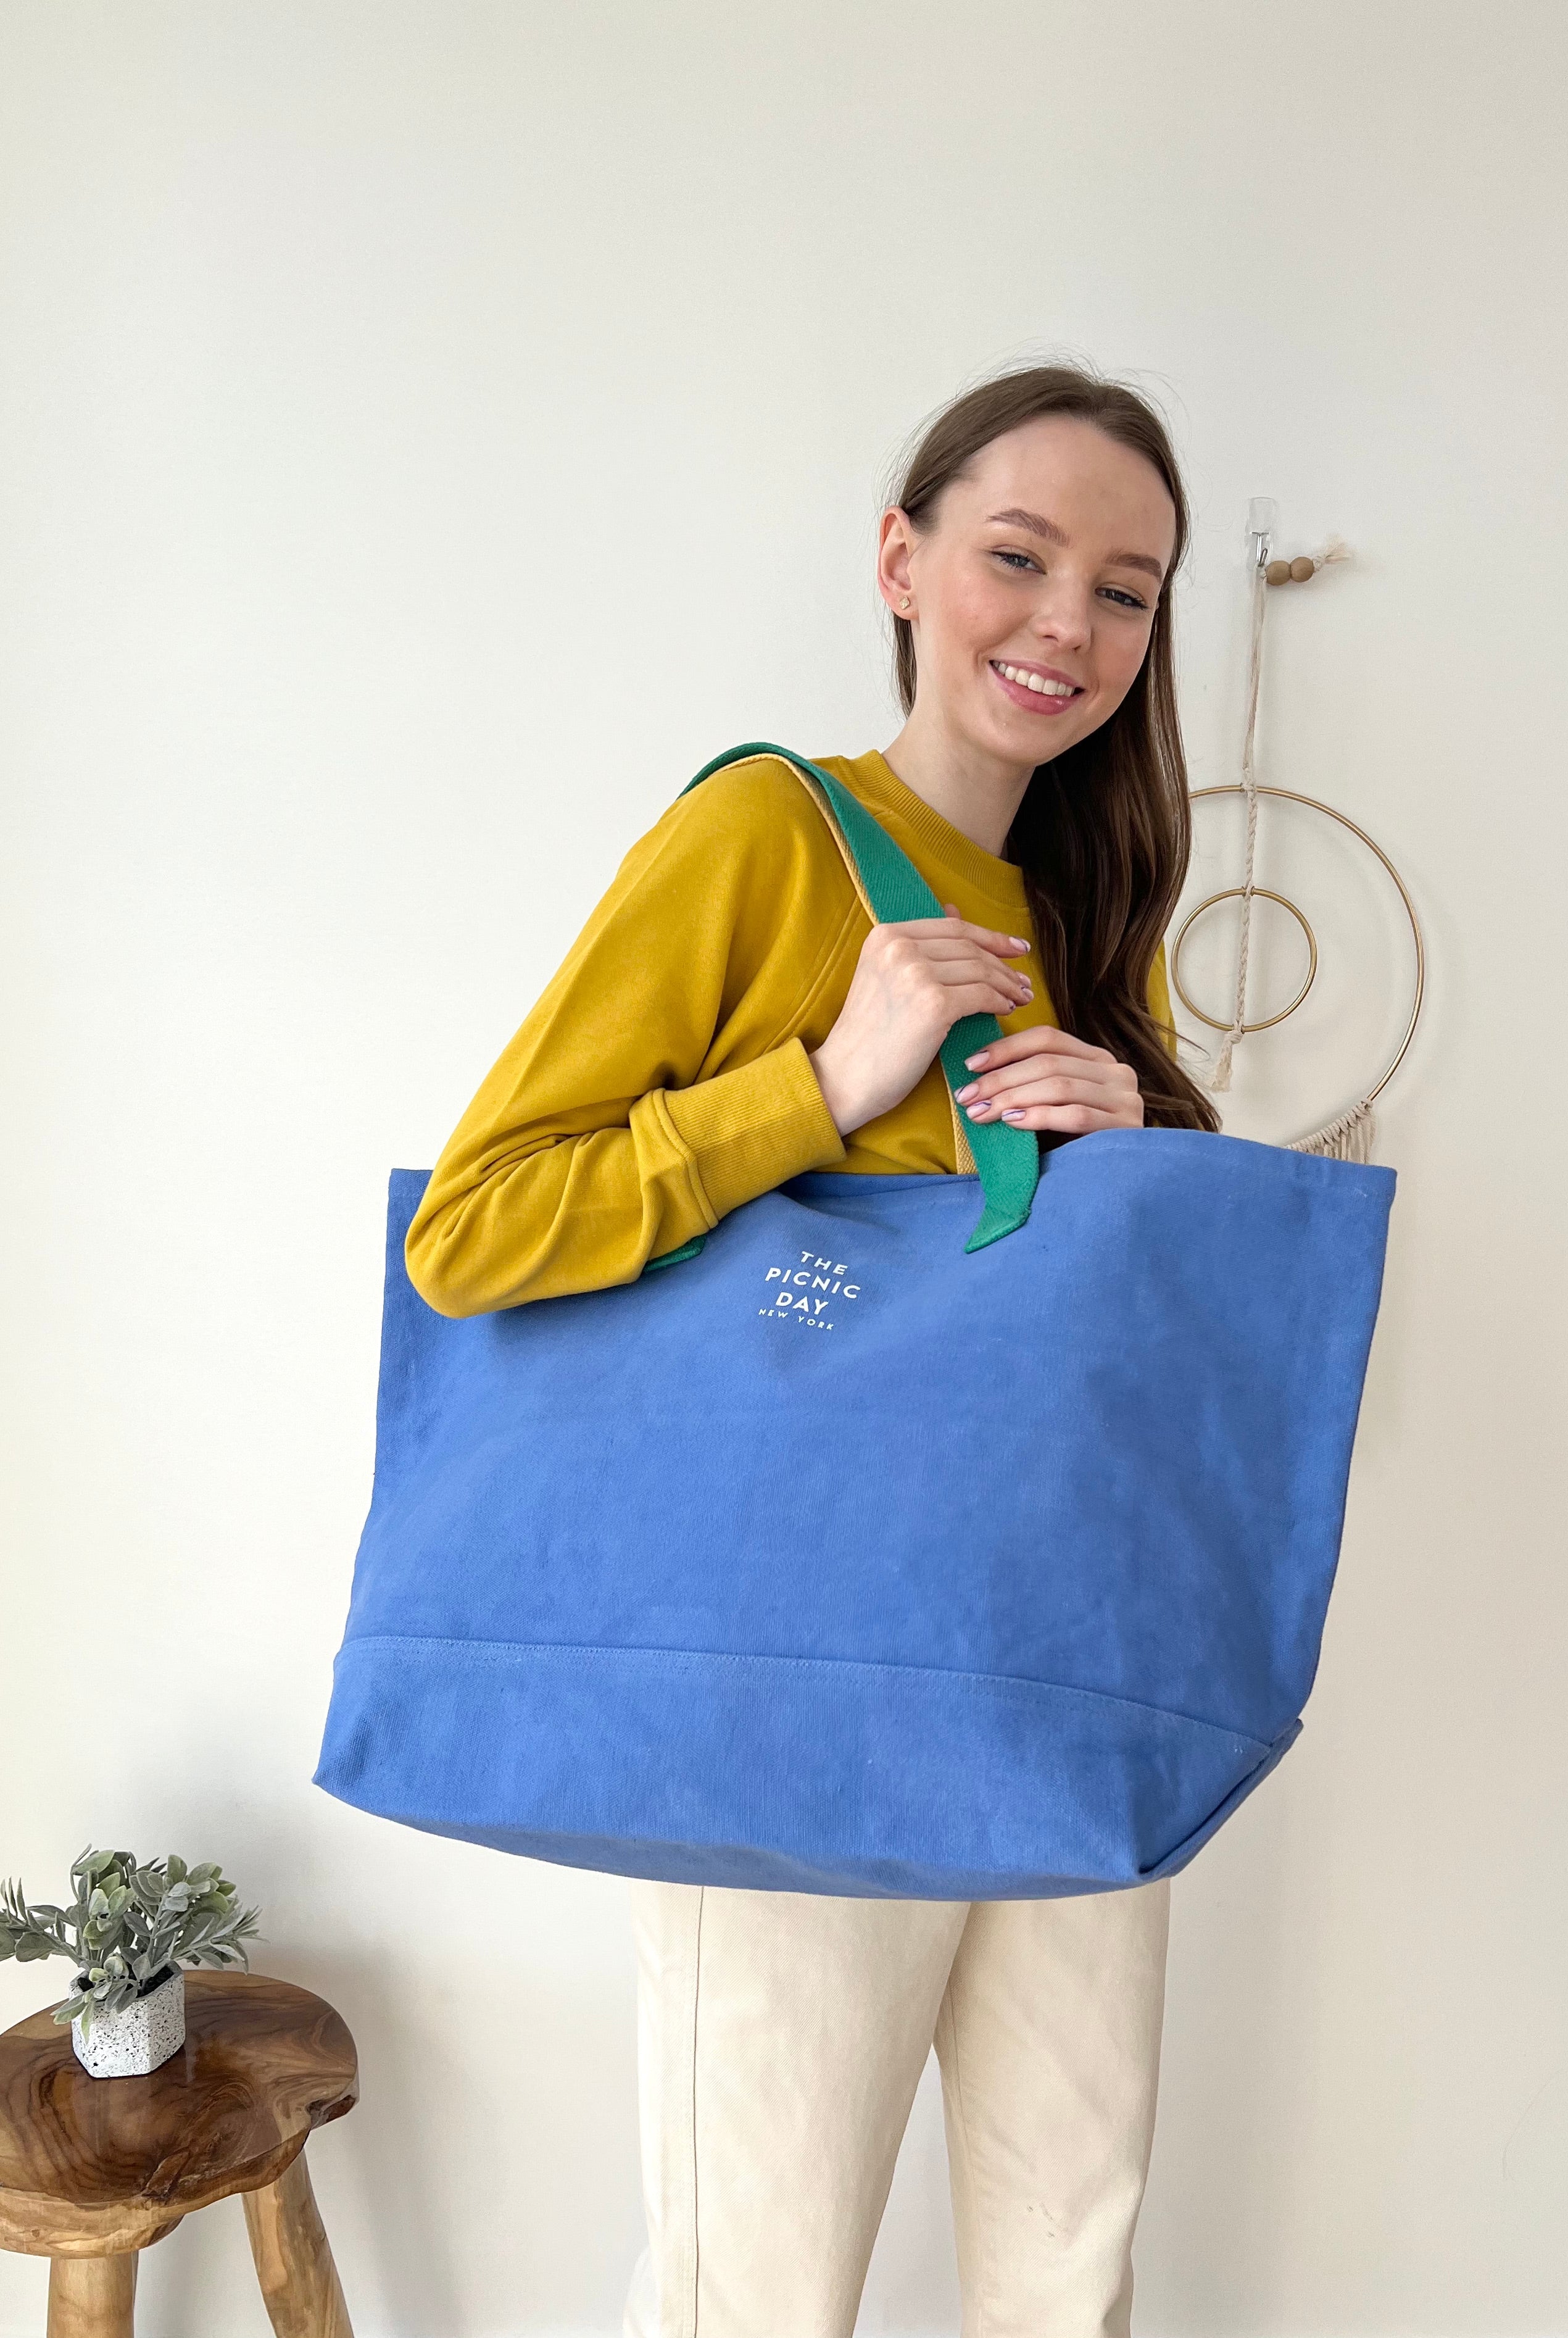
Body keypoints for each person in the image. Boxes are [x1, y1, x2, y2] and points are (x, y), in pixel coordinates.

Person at [404, 363, 1220, 2338]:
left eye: (1125, 590)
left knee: (1069, 2268)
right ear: (901, 559)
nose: (1067, 626)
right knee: (751, 2287)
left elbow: (1108, 1344)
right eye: (1017, 557)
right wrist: (819, 1081)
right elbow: (477, 1229)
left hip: (1055, 1667)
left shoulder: (1077, 905)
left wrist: (1129, 1153)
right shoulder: (769, 831)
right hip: (789, 1688)